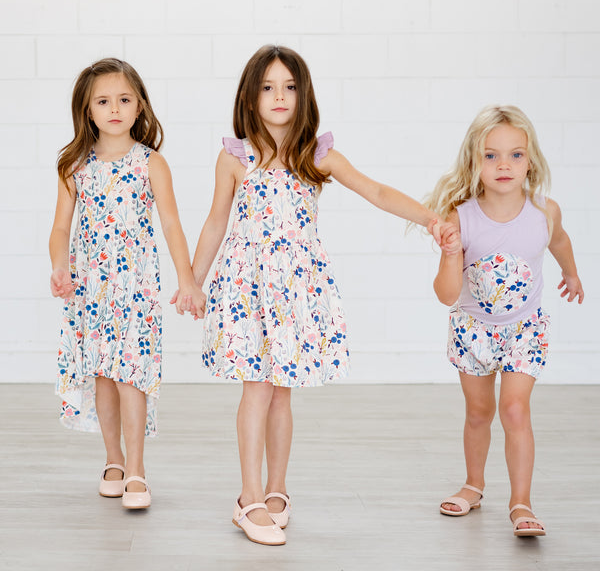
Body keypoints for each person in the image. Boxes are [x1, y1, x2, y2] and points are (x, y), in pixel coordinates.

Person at [186, 45, 456, 545]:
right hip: (247, 288)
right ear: (250, 96)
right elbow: (216, 221)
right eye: (268, 87)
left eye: (289, 87)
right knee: (256, 388)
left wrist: (431, 220)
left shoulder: (318, 155)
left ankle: (276, 487)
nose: (279, 96)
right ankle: (248, 497)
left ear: (303, 94)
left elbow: (376, 191)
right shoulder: (235, 157)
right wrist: (192, 280)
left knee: (282, 392)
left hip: (295, 290)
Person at [49, 58, 204, 509]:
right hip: (90, 289)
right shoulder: (74, 165)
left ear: (139, 107)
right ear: (87, 109)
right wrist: (60, 265)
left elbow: (171, 225)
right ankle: (113, 459)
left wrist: (187, 278)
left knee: (131, 376)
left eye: (123, 99)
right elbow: (61, 227)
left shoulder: (151, 163)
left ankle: (136, 468)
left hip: (136, 288)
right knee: (103, 375)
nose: (114, 108)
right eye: (103, 101)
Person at [429, 104, 584, 536]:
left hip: (524, 329)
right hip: (473, 330)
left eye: (515, 155)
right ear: (473, 162)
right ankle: (473, 485)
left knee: (514, 409)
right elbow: (446, 295)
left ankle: (521, 502)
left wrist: (571, 273)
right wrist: (450, 253)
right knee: (479, 412)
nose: (504, 165)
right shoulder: (460, 216)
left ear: (530, 160)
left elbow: (560, 241)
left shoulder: (544, 211)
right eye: (491, 155)